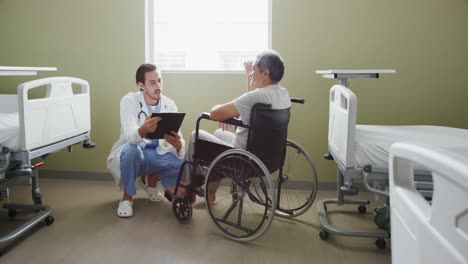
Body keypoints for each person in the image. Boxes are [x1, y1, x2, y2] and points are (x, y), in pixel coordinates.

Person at [185, 50, 291, 202]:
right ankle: (210, 192)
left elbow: (214, 114)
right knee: (219, 133)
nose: (250, 74)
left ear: (265, 73)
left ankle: (186, 186)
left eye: (253, 70)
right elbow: (252, 101)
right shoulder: (283, 94)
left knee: (196, 136)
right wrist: (232, 113)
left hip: (243, 157)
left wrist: (222, 109)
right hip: (270, 157)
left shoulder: (255, 97)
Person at [107, 63, 187, 218]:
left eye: (159, 80)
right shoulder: (129, 101)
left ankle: (151, 182)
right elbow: (130, 135)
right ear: (140, 85)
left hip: (158, 155)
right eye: (152, 82)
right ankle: (127, 197)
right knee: (131, 150)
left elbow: (180, 138)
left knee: (181, 162)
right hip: (138, 155)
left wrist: (179, 146)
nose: (158, 86)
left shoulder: (169, 104)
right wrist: (143, 129)